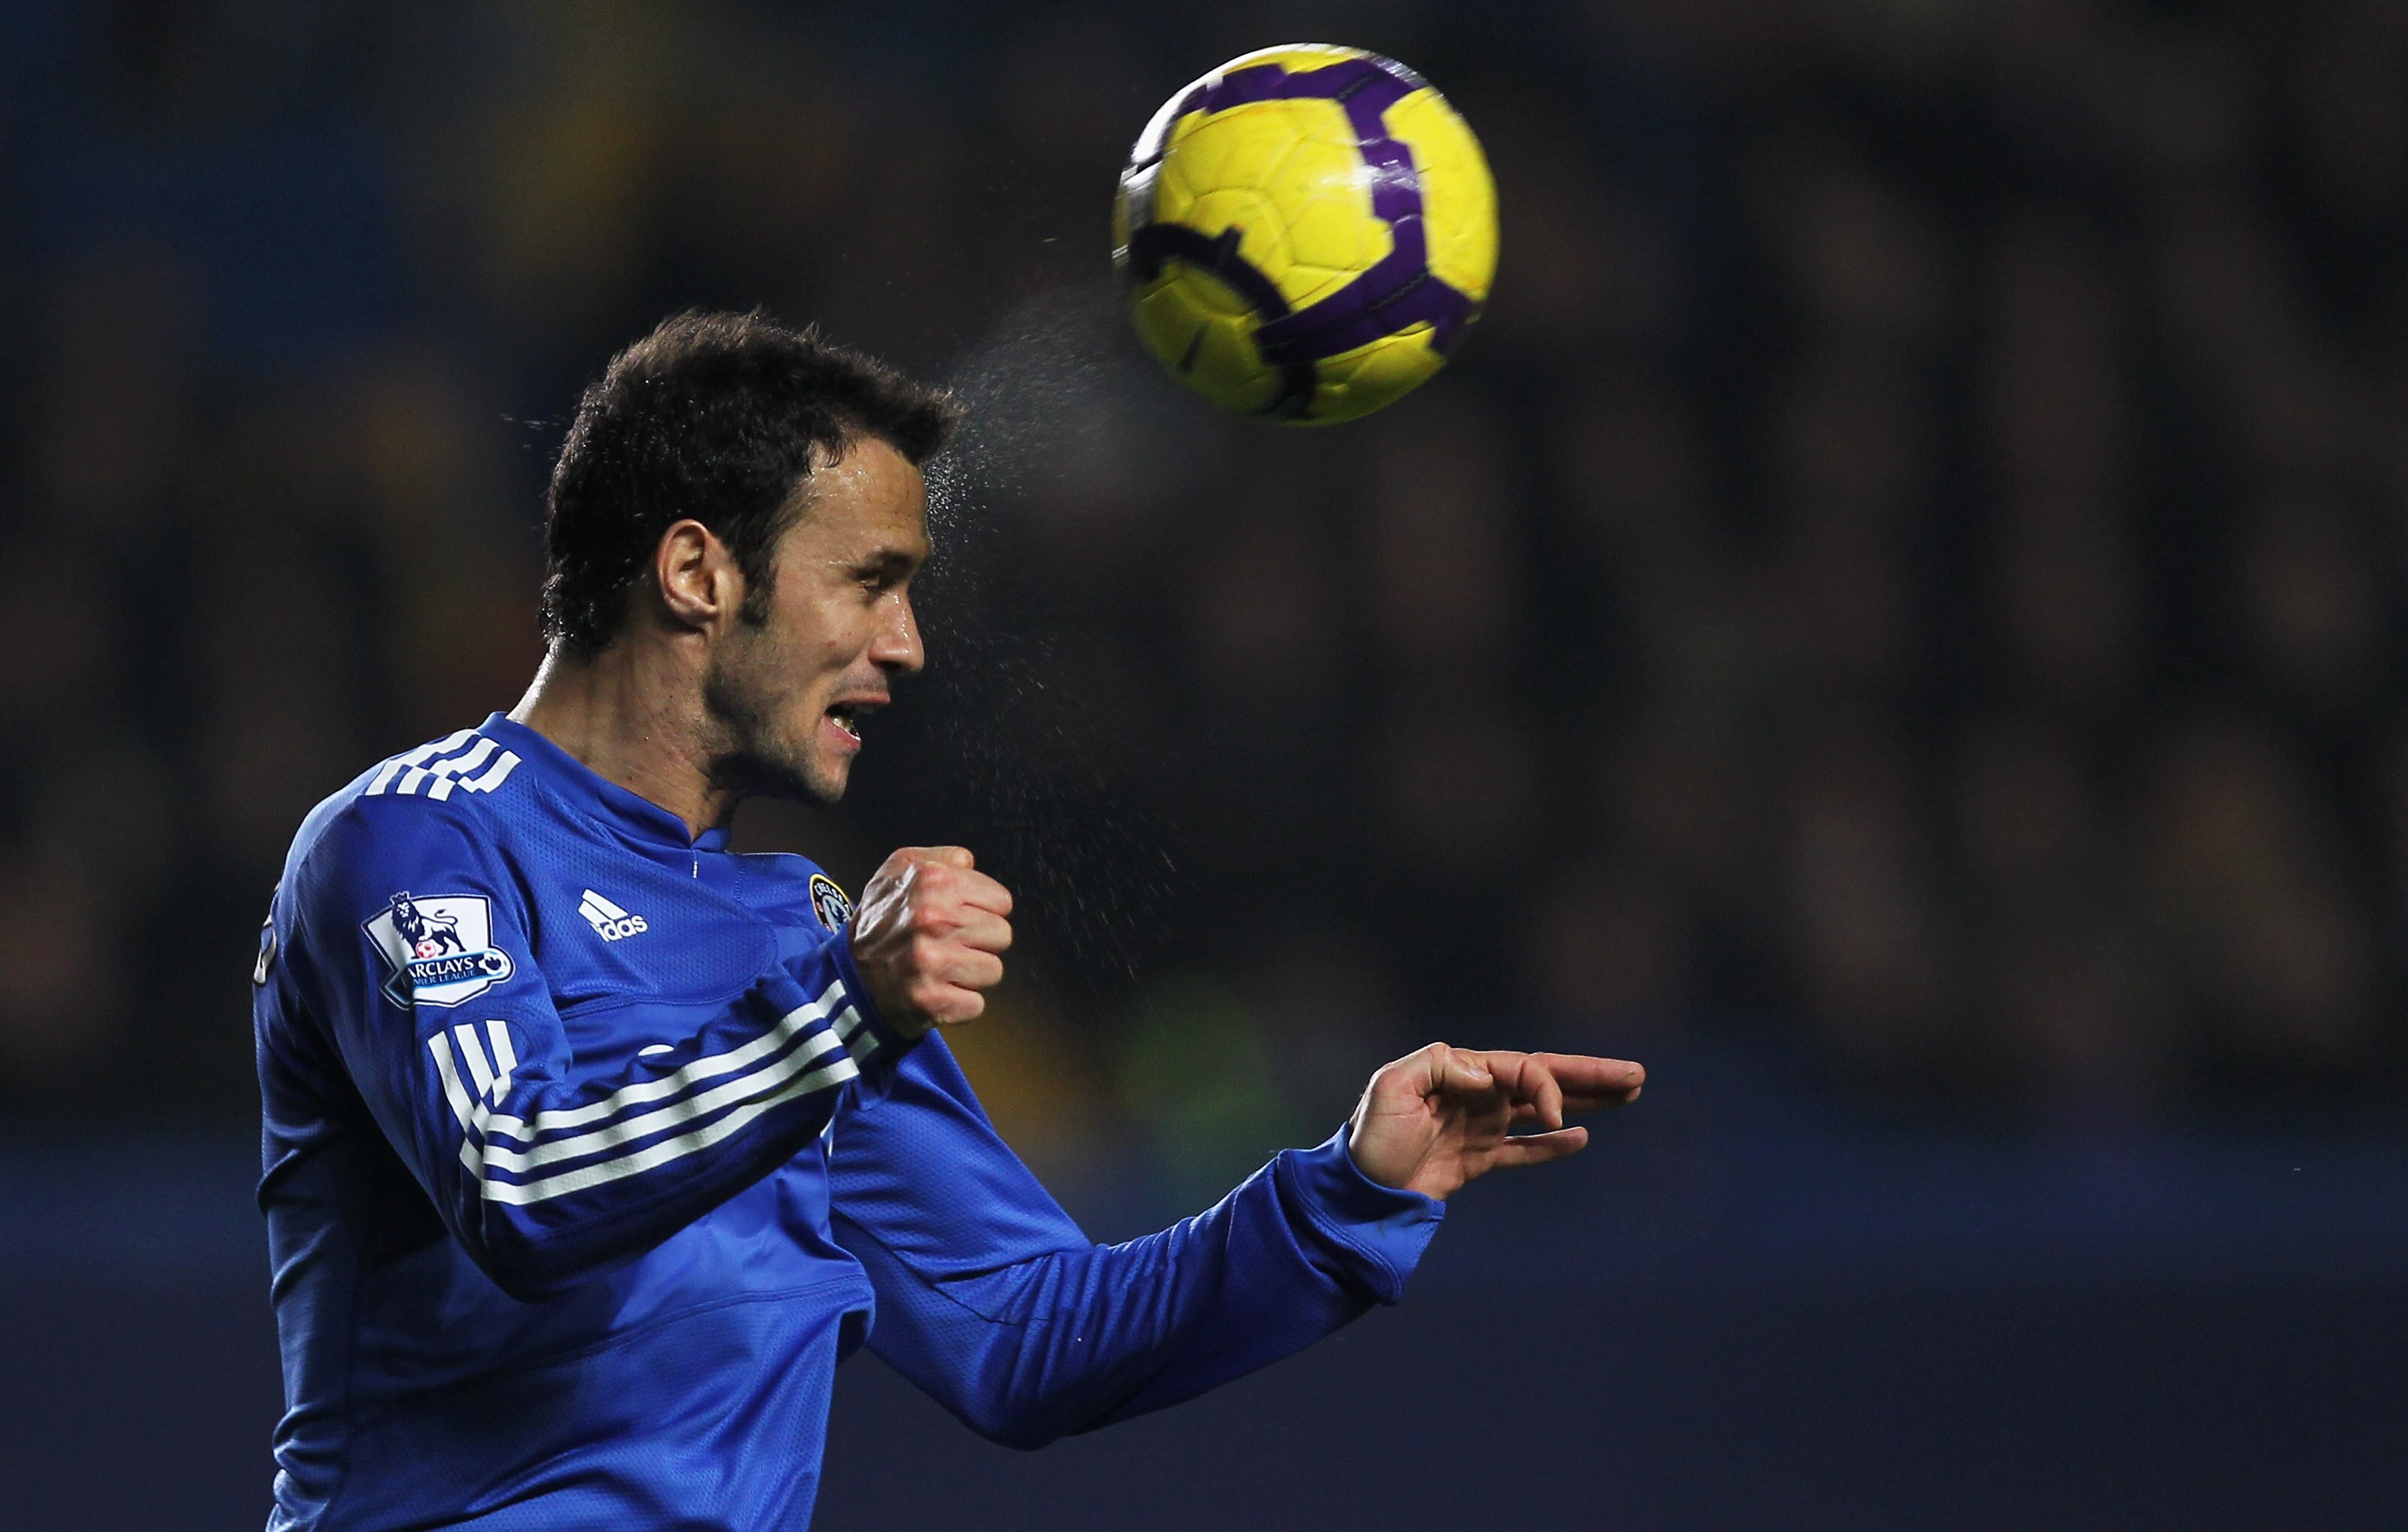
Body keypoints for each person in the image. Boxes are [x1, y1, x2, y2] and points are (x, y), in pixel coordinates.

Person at [253, 310, 1644, 1530]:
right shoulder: (418, 845)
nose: (908, 642)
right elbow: (519, 1187)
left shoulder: (800, 937)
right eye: (870, 581)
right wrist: (845, 1014)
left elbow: (1023, 1334)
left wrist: (1343, 1193)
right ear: (697, 573)